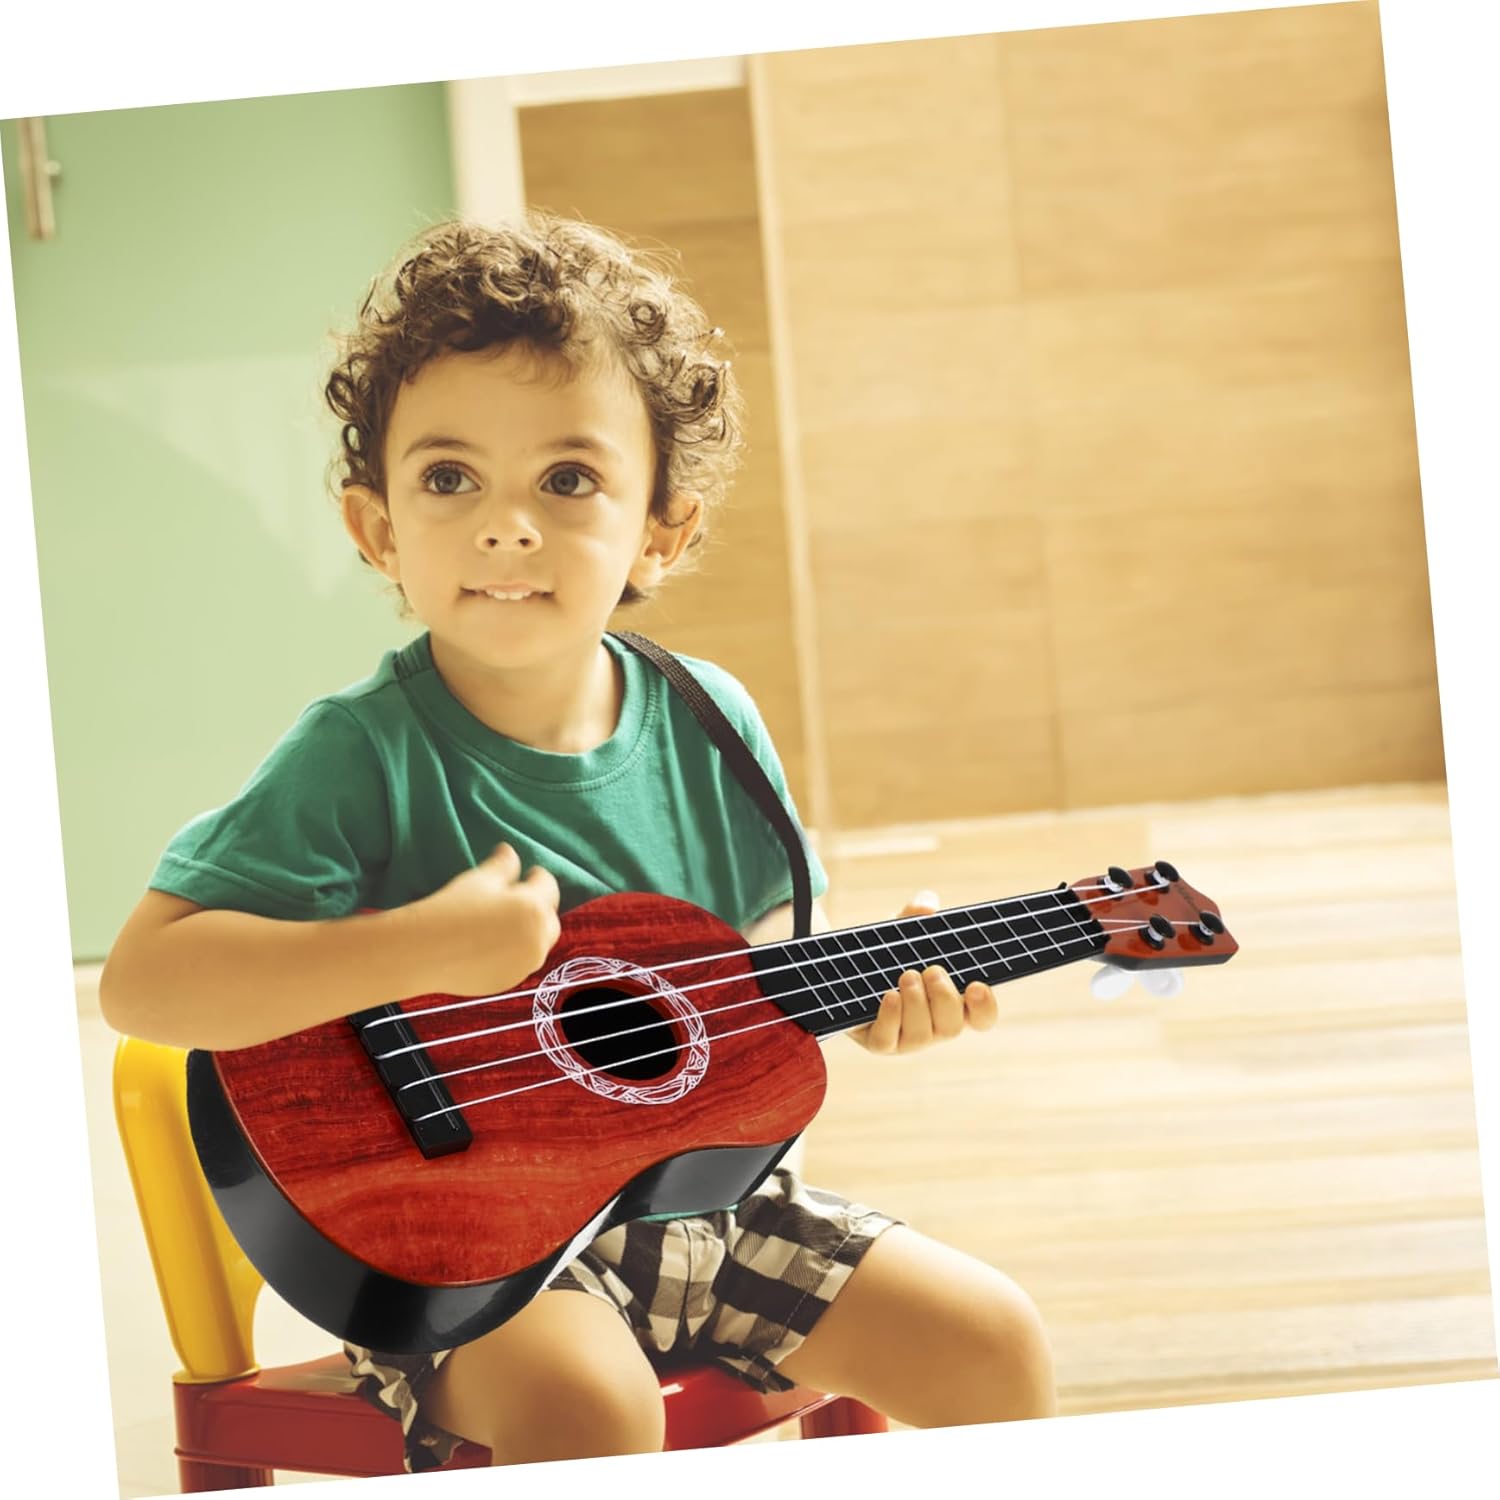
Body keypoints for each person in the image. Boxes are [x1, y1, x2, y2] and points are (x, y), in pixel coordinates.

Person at [100, 213, 1056, 1471]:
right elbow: (146, 985)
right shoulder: (360, 754)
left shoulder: (710, 718)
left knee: (993, 1339)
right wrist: (416, 947)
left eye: (567, 481)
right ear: (377, 529)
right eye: (450, 480)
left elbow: (755, 958)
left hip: (717, 1211)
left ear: (661, 529)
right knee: (589, 1409)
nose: (507, 527)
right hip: (474, 1265)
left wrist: (875, 990)